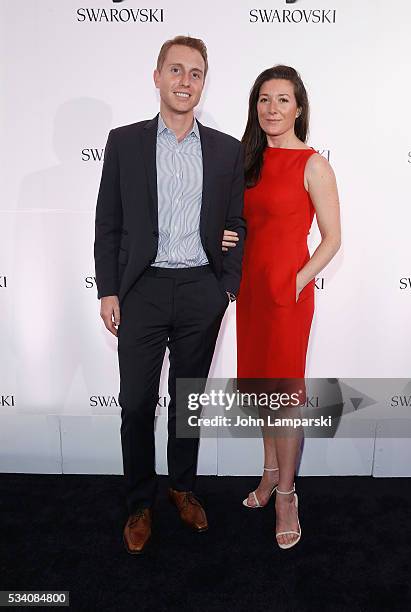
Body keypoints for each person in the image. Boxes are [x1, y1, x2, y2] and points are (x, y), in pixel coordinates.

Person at [94, 36, 245, 554]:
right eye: (176, 70)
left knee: (187, 402)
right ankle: (140, 501)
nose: (185, 81)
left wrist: (225, 287)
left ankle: (182, 487)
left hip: (202, 289)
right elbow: (108, 223)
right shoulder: (125, 142)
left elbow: (236, 224)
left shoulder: (226, 149)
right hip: (143, 290)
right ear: (156, 76)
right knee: (137, 404)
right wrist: (109, 290)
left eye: (196, 73)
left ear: (204, 82)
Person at [223, 65, 341, 549]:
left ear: (299, 108)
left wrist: (296, 282)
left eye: (282, 100)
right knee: (259, 389)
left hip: (288, 295)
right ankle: (270, 473)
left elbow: (333, 240)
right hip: (250, 291)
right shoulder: (244, 161)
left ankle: (288, 495)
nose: (272, 109)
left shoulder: (313, 163)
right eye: (264, 100)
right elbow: (240, 223)